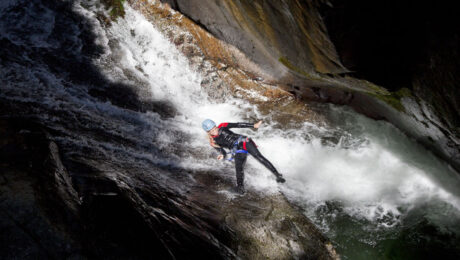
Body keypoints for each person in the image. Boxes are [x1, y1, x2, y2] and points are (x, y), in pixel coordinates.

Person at [202, 119, 286, 194]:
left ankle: (278, 175)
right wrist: (222, 155)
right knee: (238, 168)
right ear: (208, 132)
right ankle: (240, 189)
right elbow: (222, 152)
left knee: (259, 157)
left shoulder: (223, 125)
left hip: (245, 142)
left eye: (215, 128)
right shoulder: (213, 142)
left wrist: (254, 125)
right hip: (237, 150)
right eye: (212, 130)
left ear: (216, 125)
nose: (215, 131)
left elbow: (238, 124)